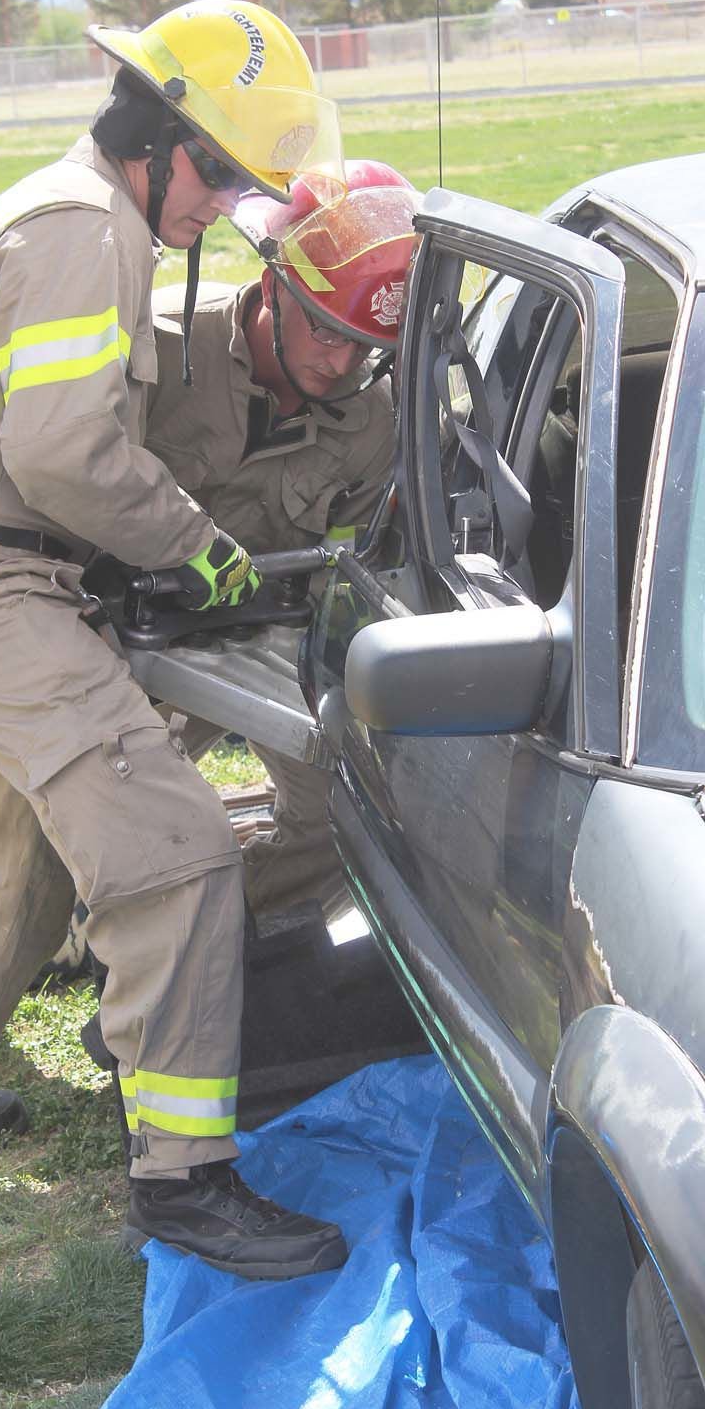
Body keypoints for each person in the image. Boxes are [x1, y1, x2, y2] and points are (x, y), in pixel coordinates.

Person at [0, 0, 351, 1282]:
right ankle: (183, 1179)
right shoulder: (88, 233)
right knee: (176, 851)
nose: (223, 204)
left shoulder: (81, 212)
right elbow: (64, 453)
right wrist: (199, 544)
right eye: (221, 172)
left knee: (9, 873)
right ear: (160, 139)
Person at [143, 160, 420, 919]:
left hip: (263, 639)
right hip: (122, 636)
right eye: (329, 330)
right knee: (111, 805)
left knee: (350, 806)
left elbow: (343, 581)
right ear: (274, 289)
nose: (341, 363)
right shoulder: (163, 350)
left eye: (365, 346)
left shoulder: (374, 421)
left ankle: (231, 931)